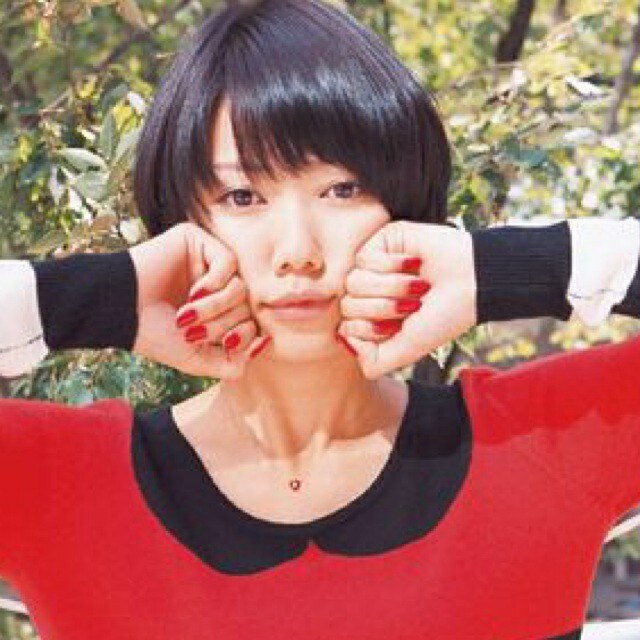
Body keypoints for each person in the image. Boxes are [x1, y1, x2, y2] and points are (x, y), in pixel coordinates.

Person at [0, 1, 638, 638]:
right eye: (243, 196)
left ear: (403, 205)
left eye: (342, 190)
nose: (298, 250)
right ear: (181, 224)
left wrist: (503, 269)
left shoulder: (542, 446)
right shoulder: (62, 485)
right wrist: (99, 296)